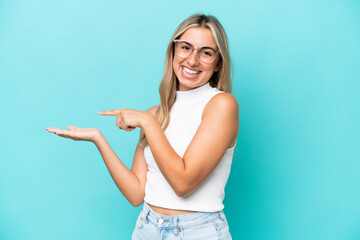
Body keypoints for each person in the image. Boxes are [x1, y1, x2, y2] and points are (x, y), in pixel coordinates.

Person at [46, 13, 239, 240]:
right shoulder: (153, 114)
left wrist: (148, 123)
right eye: (186, 47)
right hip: (147, 227)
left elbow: (183, 183)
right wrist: (99, 139)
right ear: (173, 51)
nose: (193, 60)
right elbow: (137, 193)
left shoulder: (221, 105)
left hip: (197, 231)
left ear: (218, 63)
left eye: (206, 53)